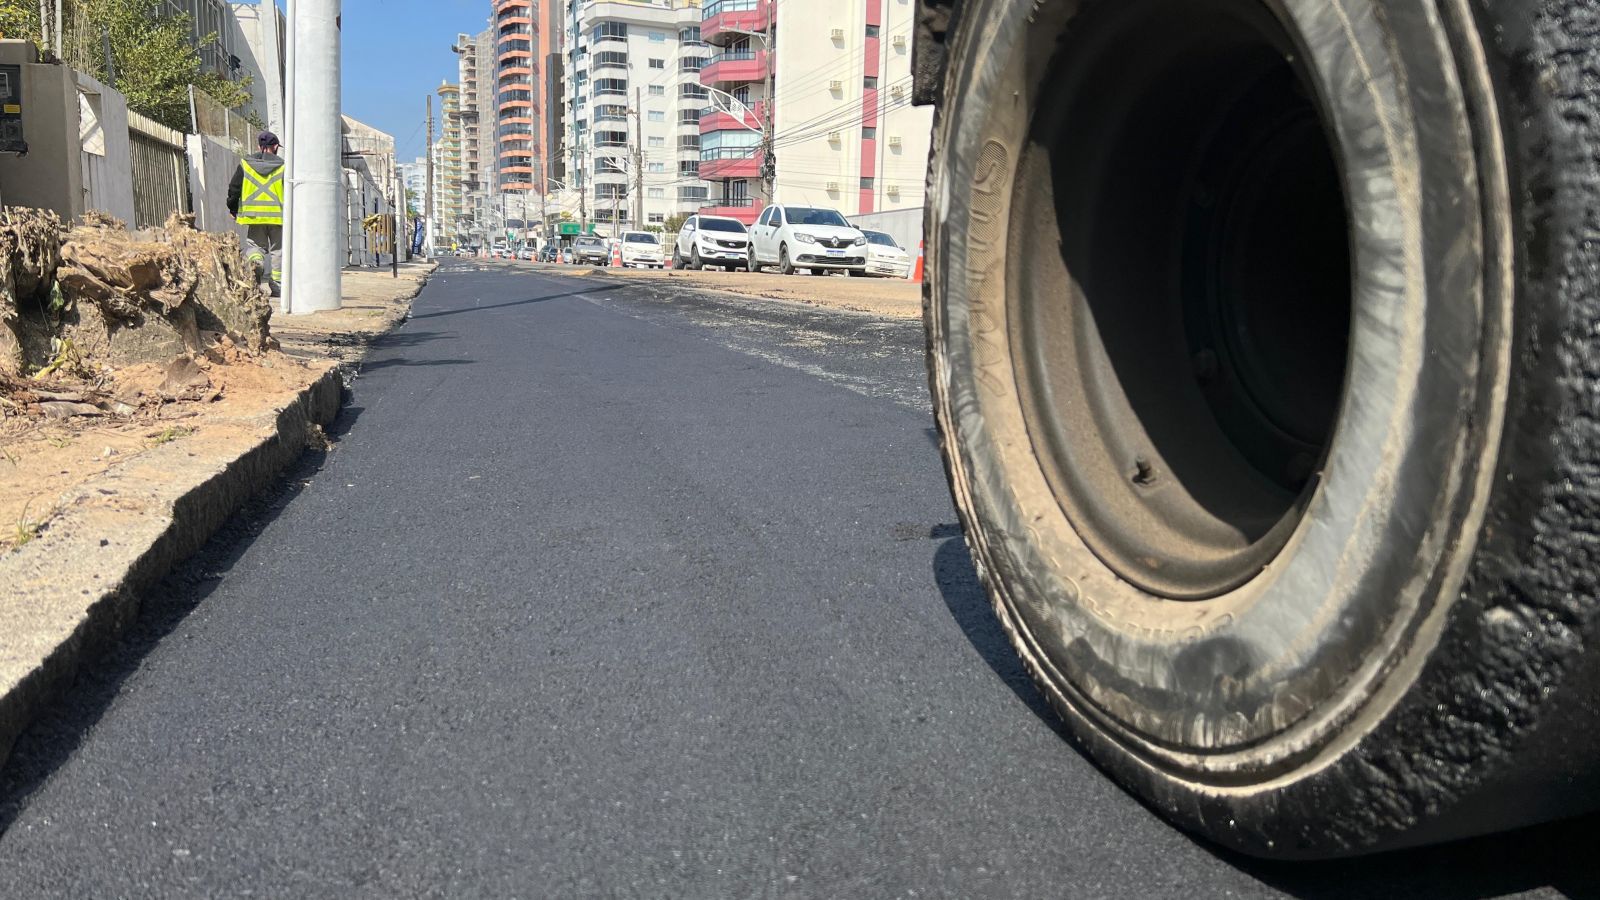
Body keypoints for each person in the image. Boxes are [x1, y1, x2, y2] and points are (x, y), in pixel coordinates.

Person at [227, 131, 285, 296]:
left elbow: (234, 187)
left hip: (254, 216)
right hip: (278, 217)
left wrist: (232, 208)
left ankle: (256, 264)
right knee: (278, 251)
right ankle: (277, 286)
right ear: (275, 147)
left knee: (255, 247)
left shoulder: (245, 164)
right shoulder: (283, 166)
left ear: (259, 146)